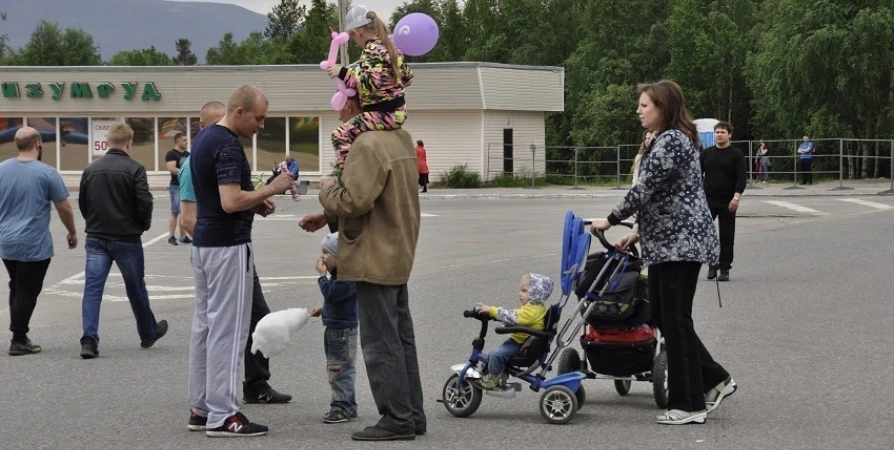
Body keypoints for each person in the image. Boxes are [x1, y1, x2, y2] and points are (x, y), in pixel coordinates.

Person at [590, 80, 736, 425]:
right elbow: (659, 196)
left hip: (680, 245)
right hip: (666, 244)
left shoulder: (671, 139)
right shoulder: (665, 139)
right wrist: (637, 234)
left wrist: (611, 219)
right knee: (665, 316)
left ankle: (689, 405)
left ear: (663, 108)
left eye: (644, 105)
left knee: (675, 320)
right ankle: (715, 379)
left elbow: (645, 188)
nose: (639, 110)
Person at [299, 124, 425, 440]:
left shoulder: (367, 144)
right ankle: (412, 415)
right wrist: (329, 216)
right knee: (400, 337)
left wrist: (326, 190)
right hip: (395, 249)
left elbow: (356, 201)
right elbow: (381, 199)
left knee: (381, 340)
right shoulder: (399, 137)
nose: (340, 109)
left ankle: (397, 420)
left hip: (374, 255)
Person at [186, 86, 295, 438]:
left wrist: (255, 201)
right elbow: (231, 202)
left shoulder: (204, 138)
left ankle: (201, 408)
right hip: (227, 247)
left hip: (204, 244)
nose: (261, 125)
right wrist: (272, 189)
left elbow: (221, 197)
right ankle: (224, 415)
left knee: (204, 327)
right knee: (229, 332)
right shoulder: (228, 144)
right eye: (259, 118)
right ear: (238, 112)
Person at [78, 123, 168, 359]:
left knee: (93, 289)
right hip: (127, 237)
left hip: (96, 236)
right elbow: (144, 202)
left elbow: (83, 204)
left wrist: (93, 221)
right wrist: (143, 224)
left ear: (107, 142)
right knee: (135, 286)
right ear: (129, 143)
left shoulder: (90, 169)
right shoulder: (135, 168)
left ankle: (89, 340)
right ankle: (148, 332)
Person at [0, 127, 78, 356]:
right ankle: (19, 339)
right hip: (33, 243)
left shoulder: (2, 169)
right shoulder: (47, 172)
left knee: (16, 284)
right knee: (27, 290)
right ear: (39, 144)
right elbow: (63, 206)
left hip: (6, 241)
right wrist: (72, 232)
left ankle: (18, 333)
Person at [327, 5, 414, 166]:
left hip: (383, 114)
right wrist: (389, 86)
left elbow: (370, 83)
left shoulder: (371, 50)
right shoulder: (391, 47)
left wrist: (343, 73)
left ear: (358, 32)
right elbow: (407, 78)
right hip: (399, 112)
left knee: (339, 135)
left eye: (353, 37)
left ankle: (350, 172)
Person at [309, 232, 359, 424]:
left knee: (338, 369)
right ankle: (348, 404)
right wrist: (323, 310)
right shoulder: (342, 276)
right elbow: (338, 301)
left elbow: (332, 294)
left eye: (326, 253)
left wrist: (322, 277)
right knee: (342, 367)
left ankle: (341, 407)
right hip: (338, 327)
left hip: (341, 332)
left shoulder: (346, 278)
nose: (321, 257)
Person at [474, 273, 552, 390]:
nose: (520, 294)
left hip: (521, 346)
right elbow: (518, 319)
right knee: (493, 355)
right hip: (521, 342)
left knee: (496, 354)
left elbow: (515, 317)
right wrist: (496, 317)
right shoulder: (534, 307)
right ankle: (498, 372)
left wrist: (491, 310)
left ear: (536, 293)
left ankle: (493, 380)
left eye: (524, 291)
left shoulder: (533, 310)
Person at [699, 122, 746, 281]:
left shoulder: (736, 154)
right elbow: (697, 175)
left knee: (727, 236)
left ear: (730, 134)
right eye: (717, 132)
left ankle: (724, 268)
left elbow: (741, 177)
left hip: (728, 201)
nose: (719, 134)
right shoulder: (706, 154)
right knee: (704, 233)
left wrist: (736, 197)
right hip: (708, 200)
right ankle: (712, 263)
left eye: (722, 132)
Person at [165, 132, 191, 245]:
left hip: (187, 186)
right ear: (177, 141)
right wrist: (185, 172)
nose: (186, 142)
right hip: (176, 186)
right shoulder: (171, 154)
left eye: (187, 140)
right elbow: (171, 168)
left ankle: (183, 236)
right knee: (175, 211)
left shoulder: (188, 154)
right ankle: (171, 236)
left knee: (184, 212)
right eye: (184, 140)